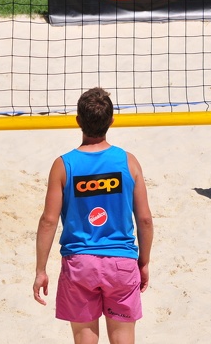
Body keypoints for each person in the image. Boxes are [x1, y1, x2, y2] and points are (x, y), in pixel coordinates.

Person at [33, 87, 154, 344]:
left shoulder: (64, 165)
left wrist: (40, 269)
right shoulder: (128, 162)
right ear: (111, 121)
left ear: (78, 121)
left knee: (85, 339)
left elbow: (48, 221)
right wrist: (143, 261)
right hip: (121, 263)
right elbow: (144, 219)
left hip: (80, 264)